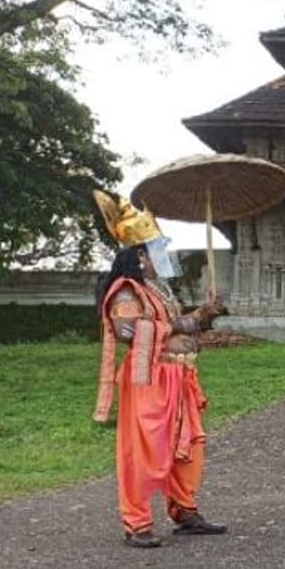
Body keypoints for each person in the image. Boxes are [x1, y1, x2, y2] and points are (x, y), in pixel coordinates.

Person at [91, 191, 226, 548]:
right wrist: (178, 326)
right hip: (147, 379)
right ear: (139, 256)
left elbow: (180, 323)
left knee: (188, 447)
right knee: (146, 450)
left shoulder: (158, 290)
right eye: (156, 250)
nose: (162, 257)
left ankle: (185, 510)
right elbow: (126, 331)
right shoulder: (125, 291)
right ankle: (136, 524)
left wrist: (204, 315)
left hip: (179, 378)